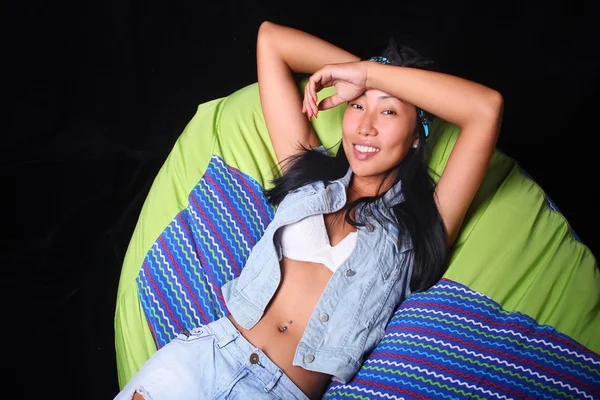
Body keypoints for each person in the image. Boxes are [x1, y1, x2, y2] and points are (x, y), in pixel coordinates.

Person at [115, 20, 503, 400]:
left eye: (388, 112)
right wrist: (366, 78)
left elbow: (485, 109)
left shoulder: (419, 224)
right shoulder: (309, 177)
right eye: (356, 106)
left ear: (418, 135)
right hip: (201, 358)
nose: (364, 127)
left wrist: (370, 76)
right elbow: (271, 40)